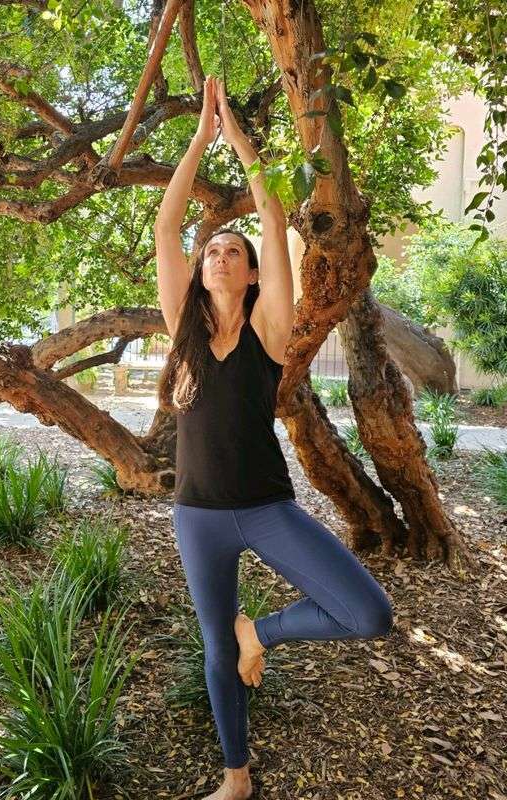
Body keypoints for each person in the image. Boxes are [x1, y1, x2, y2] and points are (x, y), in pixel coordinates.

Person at [153, 75, 394, 800]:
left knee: (367, 613)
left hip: (265, 506)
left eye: (234, 250)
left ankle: (265, 630)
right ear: (199, 273)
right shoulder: (183, 332)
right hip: (197, 516)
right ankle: (237, 776)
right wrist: (196, 140)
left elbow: (269, 208)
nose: (220, 255)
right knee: (214, 650)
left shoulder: (268, 330)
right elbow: (167, 229)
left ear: (254, 273)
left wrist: (240, 142)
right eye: (212, 252)